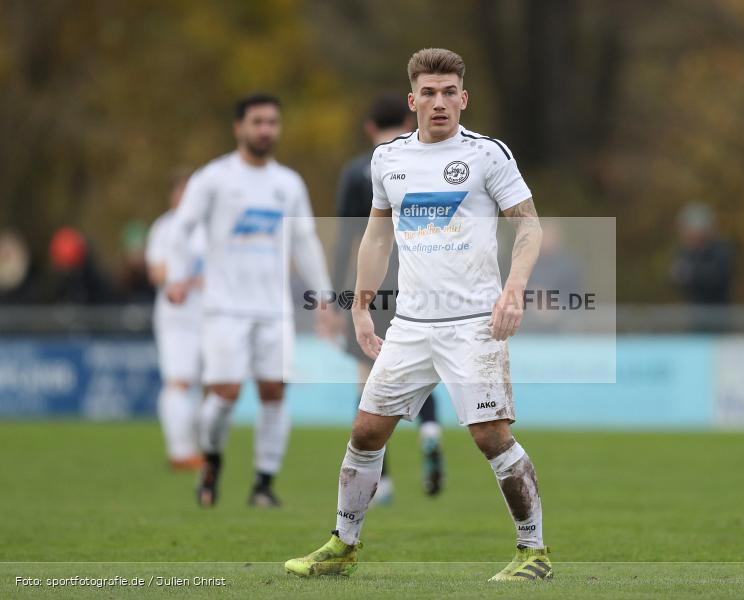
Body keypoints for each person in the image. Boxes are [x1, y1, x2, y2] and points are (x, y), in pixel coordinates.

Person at [286, 48, 552, 582]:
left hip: (475, 321)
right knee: (365, 432)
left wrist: (515, 289)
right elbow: (377, 235)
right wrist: (360, 306)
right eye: (428, 93)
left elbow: (529, 227)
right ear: (413, 100)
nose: (439, 102)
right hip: (409, 323)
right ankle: (344, 544)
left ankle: (534, 553)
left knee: (490, 436)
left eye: (449, 92)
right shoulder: (388, 159)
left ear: (463, 98)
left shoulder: (487, 155)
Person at [166, 93, 335, 508]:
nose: (265, 130)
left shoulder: (288, 183)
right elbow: (181, 227)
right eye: (257, 122)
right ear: (238, 127)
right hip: (224, 309)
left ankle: (263, 483)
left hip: (274, 311)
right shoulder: (214, 178)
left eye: (272, 122)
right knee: (222, 398)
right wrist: (176, 276)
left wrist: (325, 296)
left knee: (274, 393)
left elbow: (305, 240)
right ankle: (212, 463)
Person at [333, 94, 445, 502]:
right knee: (423, 367)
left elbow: (347, 237)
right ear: (407, 119)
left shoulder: (356, 172)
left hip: (372, 285)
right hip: (419, 281)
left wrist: (336, 296)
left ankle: (383, 479)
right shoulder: (423, 163)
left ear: (368, 128)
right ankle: (430, 431)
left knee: (369, 380)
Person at [146, 170, 205, 471]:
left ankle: (196, 446)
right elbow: (157, 272)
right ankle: (179, 450)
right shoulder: (164, 228)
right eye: (180, 191)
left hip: (208, 316)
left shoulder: (207, 229)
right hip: (177, 317)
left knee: (207, 385)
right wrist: (188, 280)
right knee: (178, 382)